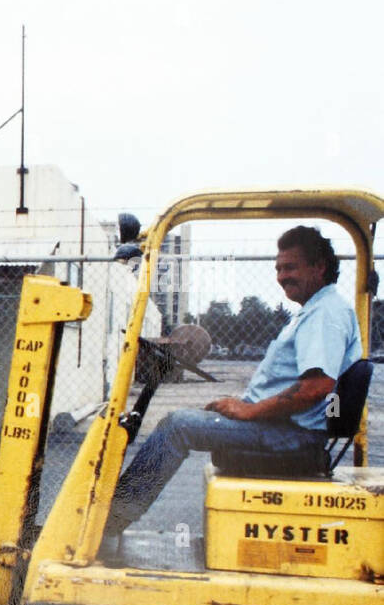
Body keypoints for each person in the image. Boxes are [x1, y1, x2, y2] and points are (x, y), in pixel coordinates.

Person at [105, 225, 361, 542]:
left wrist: (249, 412)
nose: (282, 276)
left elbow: (317, 386)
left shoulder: (324, 313)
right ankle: (114, 515)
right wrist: (244, 405)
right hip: (287, 428)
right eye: (279, 268)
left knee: (177, 426)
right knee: (187, 420)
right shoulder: (319, 309)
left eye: (291, 267)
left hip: (294, 435)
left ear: (319, 266)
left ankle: (109, 521)